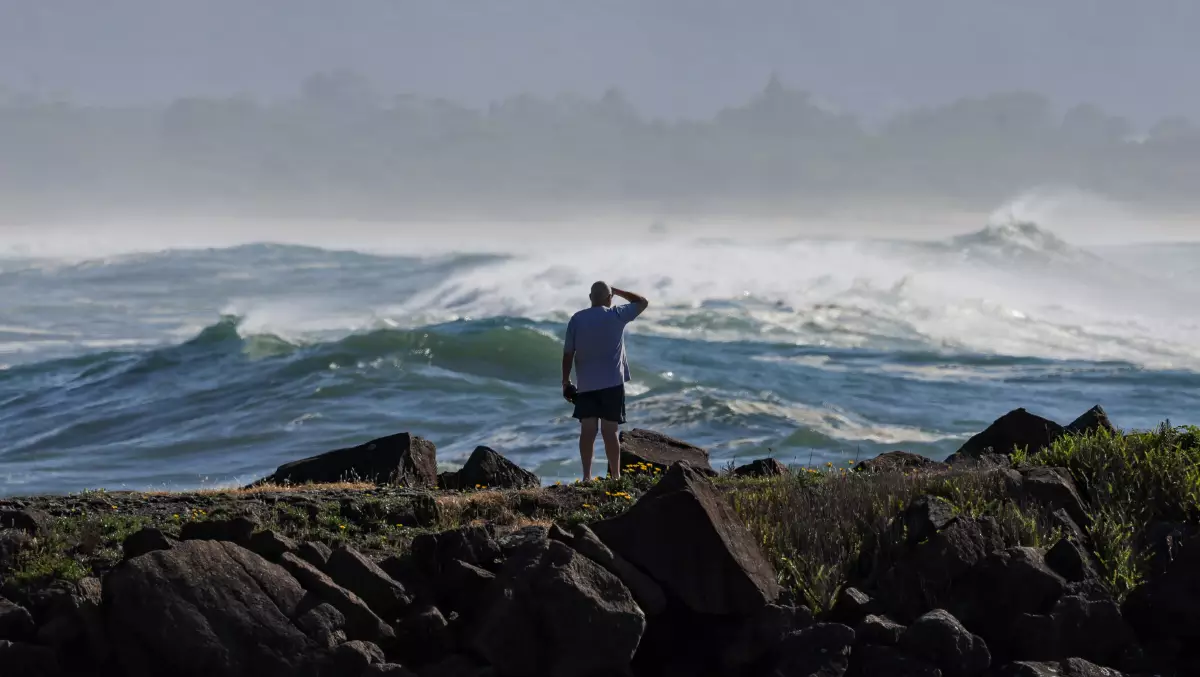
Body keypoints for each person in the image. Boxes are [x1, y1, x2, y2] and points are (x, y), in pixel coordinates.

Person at [561, 281, 649, 481]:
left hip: (586, 385)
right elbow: (642, 302)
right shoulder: (616, 314)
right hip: (612, 384)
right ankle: (616, 477)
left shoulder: (577, 319)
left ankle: (586, 477)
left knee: (588, 431)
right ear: (610, 298)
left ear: (590, 297)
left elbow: (567, 354)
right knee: (610, 432)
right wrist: (617, 291)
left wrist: (565, 382)